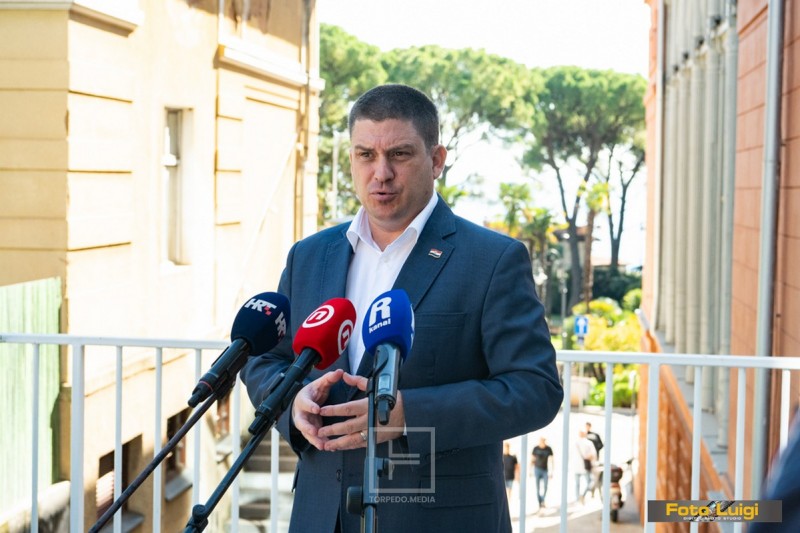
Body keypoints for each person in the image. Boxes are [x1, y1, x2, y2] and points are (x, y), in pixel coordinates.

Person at [240, 83, 563, 533]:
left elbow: (535, 389)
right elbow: (264, 361)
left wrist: (409, 415)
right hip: (322, 516)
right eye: (366, 155)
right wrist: (292, 402)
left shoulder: (493, 260)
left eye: (400, 154)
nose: (381, 173)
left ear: (436, 160)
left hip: (440, 520)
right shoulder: (309, 256)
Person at [574, 429, 597, 504]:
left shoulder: (576, 442)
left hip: (579, 466)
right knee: (590, 482)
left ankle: (578, 498)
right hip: (583, 466)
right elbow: (593, 454)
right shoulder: (588, 443)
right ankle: (581, 496)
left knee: (578, 484)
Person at [531, 436, 554, 508]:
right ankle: (540, 502)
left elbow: (552, 460)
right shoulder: (535, 448)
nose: (542, 443)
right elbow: (532, 459)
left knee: (545, 486)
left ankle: (543, 500)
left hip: (545, 470)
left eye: (543, 441)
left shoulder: (548, 449)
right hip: (537, 469)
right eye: (541, 441)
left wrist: (552, 471)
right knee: (537, 487)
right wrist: (530, 470)